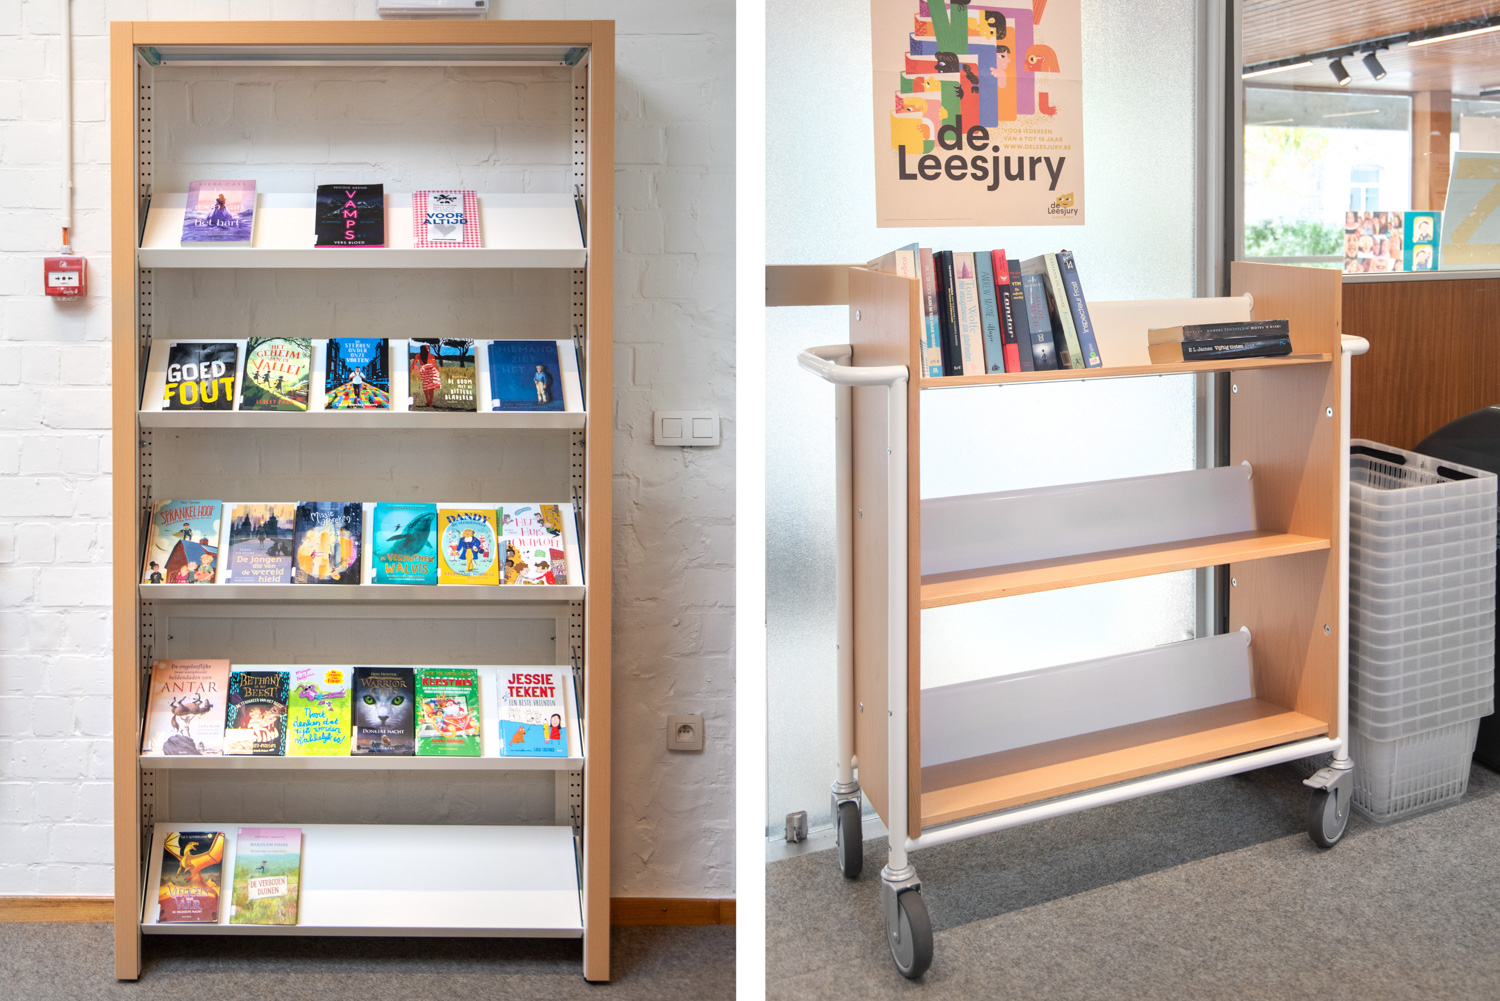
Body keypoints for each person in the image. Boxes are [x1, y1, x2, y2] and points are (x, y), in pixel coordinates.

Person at [412, 344, 442, 408]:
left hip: (424, 371)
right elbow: (434, 365)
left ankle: (428, 400)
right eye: (429, 348)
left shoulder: (418, 355)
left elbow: (414, 365)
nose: (429, 349)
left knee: (425, 386)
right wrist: (438, 373)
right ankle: (430, 402)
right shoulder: (432, 355)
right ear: (427, 349)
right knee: (431, 387)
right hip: (432, 371)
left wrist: (417, 370)